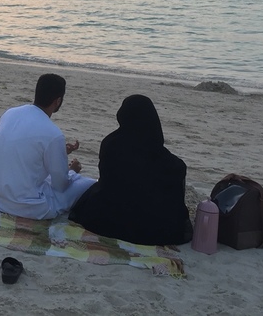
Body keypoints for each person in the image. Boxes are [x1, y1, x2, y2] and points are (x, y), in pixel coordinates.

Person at [68, 94, 193, 245]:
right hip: (152, 229)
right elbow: (176, 180)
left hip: (110, 220)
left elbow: (106, 181)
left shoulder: (111, 144)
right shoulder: (168, 162)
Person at [0, 73, 96, 219]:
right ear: (58, 101)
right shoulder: (53, 133)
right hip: (21, 205)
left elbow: (23, 151)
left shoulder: (10, 113)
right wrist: (71, 171)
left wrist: (59, 153)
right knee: (88, 183)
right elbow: (61, 185)